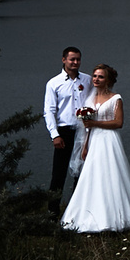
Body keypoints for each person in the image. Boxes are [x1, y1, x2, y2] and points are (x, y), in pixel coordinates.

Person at [61, 64, 130, 234]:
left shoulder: (116, 99)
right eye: (95, 76)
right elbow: (87, 129)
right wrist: (85, 146)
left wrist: (95, 123)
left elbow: (118, 123)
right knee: (92, 176)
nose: (96, 79)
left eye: (101, 77)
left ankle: (115, 217)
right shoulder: (90, 100)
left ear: (109, 80)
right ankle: (89, 215)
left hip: (109, 140)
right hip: (94, 140)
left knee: (111, 175)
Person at [42, 45, 87, 197]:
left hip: (84, 131)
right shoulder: (54, 83)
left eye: (78, 59)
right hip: (64, 132)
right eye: (72, 59)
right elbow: (49, 111)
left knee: (82, 172)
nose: (75, 62)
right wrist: (55, 135)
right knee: (59, 174)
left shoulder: (87, 80)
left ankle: (77, 212)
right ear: (64, 60)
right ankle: (52, 214)